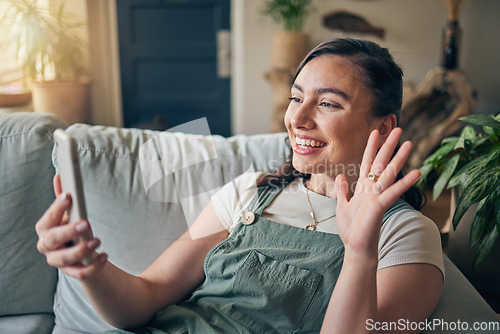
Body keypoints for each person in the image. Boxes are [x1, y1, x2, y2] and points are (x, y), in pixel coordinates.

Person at [36, 38, 444, 333]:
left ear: (383, 125)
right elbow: (143, 299)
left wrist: (358, 252)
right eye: (295, 97)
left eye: (328, 103)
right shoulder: (249, 191)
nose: (298, 119)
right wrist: (88, 267)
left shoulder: (405, 233)